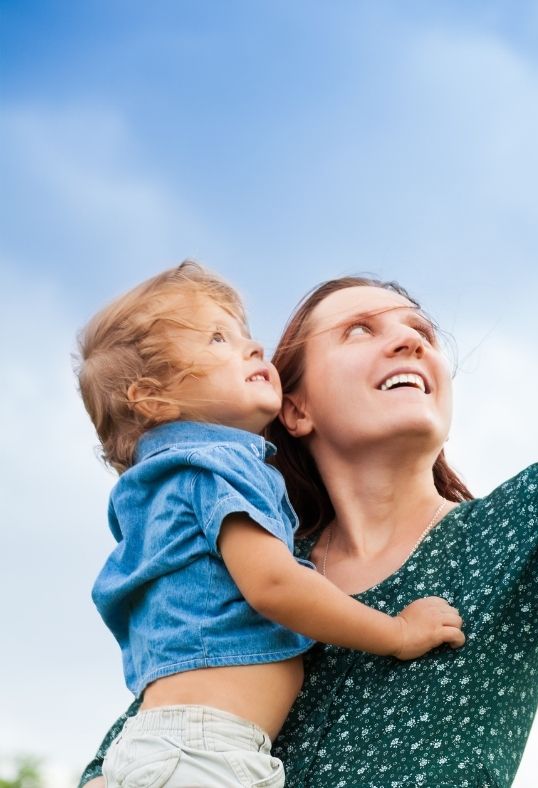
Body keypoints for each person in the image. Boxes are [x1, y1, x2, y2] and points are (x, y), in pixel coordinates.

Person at [80, 20, 538, 787]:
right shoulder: (241, 562)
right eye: (360, 330)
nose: (409, 341)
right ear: (295, 408)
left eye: (421, 330)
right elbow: (143, 748)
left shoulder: (519, 532)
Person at [75, 264, 465, 787]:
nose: (253, 348)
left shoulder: (159, 487)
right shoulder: (220, 464)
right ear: (153, 399)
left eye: (243, 334)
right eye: (218, 338)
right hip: (205, 751)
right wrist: (396, 632)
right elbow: (274, 584)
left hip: (169, 747)